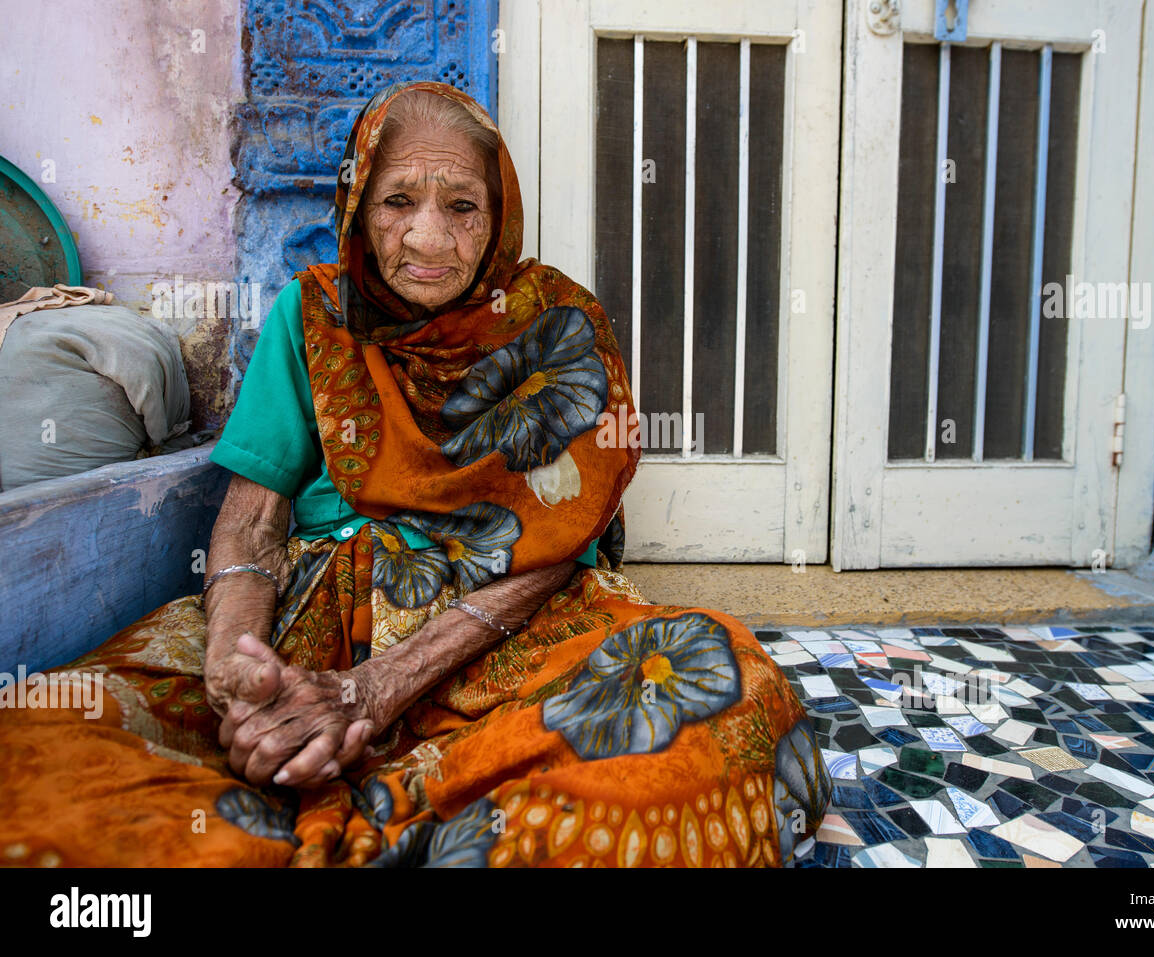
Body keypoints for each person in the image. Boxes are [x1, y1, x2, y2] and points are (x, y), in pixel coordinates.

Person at [0, 82, 828, 867]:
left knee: (724, 695)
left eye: (462, 206)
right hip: (307, 622)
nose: (429, 239)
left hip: (502, 625)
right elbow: (252, 524)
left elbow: (550, 550)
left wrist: (372, 690)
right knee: (42, 741)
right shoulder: (313, 314)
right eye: (398, 201)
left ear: (498, 217)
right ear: (360, 208)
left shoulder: (558, 327)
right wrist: (239, 668)